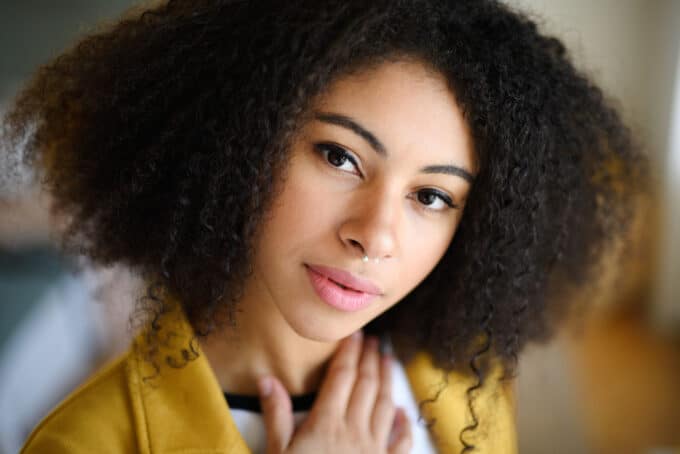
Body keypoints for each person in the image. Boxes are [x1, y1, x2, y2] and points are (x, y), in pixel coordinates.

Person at [0, 0, 647, 452]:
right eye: (339, 157)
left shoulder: (467, 386)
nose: (376, 235)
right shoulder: (82, 441)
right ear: (240, 141)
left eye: (430, 196)